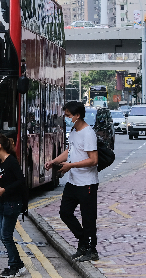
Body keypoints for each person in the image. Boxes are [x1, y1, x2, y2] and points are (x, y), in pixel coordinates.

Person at [45, 101, 100, 262]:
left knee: (88, 218)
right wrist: (54, 161)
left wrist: (71, 165)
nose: (66, 118)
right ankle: (83, 241)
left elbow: (94, 160)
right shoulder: (74, 131)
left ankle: (91, 250)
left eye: (68, 115)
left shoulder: (88, 133)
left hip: (87, 183)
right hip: (74, 182)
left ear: (78, 115)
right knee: (65, 212)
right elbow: (71, 150)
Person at [0, 133, 27, 278]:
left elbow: (21, 181)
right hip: (4, 201)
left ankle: (14, 266)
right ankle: (18, 265)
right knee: (2, 235)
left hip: (13, 203)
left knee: (6, 235)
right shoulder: (1, 162)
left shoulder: (11, 161)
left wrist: (5, 189)